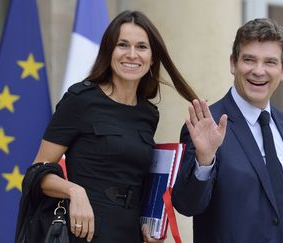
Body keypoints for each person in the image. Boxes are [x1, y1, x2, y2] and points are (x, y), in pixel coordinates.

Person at [27, 10, 198, 243]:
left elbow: (137, 180)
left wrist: (150, 225)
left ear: (152, 58)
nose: (131, 54)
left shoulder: (148, 114)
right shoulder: (80, 100)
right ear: (109, 51)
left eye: (141, 47)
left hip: (129, 234)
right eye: (123, 45)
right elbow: (37, 172)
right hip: (84, 233)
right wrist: (74, 191)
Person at [172, 18, 283, 243]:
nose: (258, 71)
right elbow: (186, 205)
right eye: (249, 60)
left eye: (270, 62)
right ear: (233, 63)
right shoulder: (207, 124)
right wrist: (204, 161)